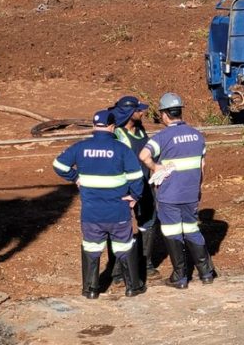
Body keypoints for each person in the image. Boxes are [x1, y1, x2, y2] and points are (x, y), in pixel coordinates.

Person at [52, 110, 146, 299]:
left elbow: (58, 165)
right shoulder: (121, 149)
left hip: (91, 213)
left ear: (94, 126)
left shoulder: (80, 147)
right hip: (118, 211)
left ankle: (91, 289)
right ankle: (132, 286)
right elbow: (137, 177)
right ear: (112, 127)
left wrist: (75, 177)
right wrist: (135, 196)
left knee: (92, 247)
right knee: (124, 246)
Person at [139, 92, 216, 289]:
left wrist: (155, 168)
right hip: (190, 193)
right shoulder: (197, 135)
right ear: (180, 112)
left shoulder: (162, 137)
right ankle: (206, 272)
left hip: (169, 194)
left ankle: (180, 276)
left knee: (172, 232)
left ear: (164, 114)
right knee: (191, 228)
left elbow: (143, 155)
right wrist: (197, 187)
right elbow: (202, 166)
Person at [108, 95, 159, 283]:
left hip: (145, 185)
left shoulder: (140, 130)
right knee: (119, 228)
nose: (142, 112)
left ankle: (146, 263)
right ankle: (117, 272)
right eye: (138, 110)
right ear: (129, 113)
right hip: (124, 189)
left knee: (149, 222)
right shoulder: (116, 134)